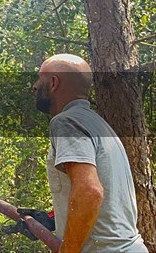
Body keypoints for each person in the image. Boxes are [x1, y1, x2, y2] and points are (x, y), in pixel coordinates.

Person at [23, 53, 146, 252]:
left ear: (53, 83)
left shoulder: (65, 121)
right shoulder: (97, 123)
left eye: (39, 78)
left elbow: (89, 191)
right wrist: (52, 219)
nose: (35, 86)